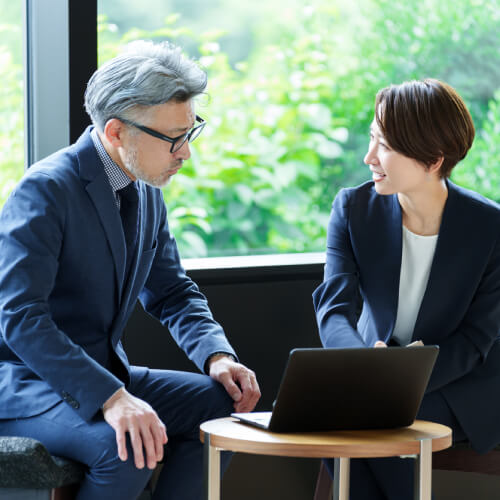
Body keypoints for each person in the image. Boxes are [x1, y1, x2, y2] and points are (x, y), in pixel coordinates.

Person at [0, 40, 260, 500]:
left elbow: (172, 291)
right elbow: (20, 317)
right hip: (26, 383)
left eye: (190, 132)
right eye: (173, 139)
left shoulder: (144, 189)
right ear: (117, 131)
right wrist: (112, 397)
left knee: (224, 409)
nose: (186, 153)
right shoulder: (45, 190)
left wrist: (217, 357)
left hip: (103, 372)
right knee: (125, 447)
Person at [313, 79, 500, 498]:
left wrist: (401, 380)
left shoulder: (490, 228)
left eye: (385, 146)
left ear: (433, 160)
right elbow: (334, 309)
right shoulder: (352, 209)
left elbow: (476, 341)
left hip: (458, 386)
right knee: (329, 413)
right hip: (372, 379)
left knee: (370, 421)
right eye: (372, 139)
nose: (369, 157)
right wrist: (370, 368)